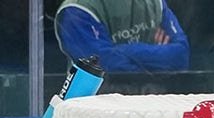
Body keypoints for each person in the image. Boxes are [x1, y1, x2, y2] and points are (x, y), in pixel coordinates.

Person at [54, 0, 190, 73]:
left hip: (153, 108)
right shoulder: (76, 10)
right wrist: (156, 61)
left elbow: (180, 55)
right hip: (95, 111)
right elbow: (102, 66)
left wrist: (122, 51)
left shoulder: (155, 3)